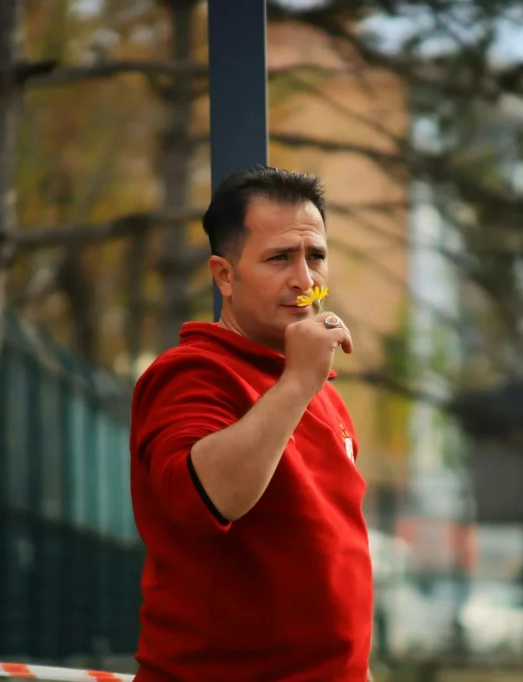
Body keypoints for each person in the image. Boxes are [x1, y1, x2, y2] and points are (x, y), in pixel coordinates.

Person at [129, 166, 374, 681]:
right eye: (279, 258)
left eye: (316, 257)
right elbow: (204, 499)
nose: (305, 281)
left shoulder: (317, 388)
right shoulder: (191, 373)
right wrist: (296, 384)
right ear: (225, 276)